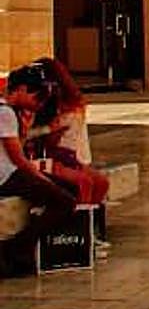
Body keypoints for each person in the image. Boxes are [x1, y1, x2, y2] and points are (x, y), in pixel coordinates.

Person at [0, 63, 77, 277]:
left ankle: (26, 249)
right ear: (22, 89)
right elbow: (18, 159)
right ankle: (16, 248)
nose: (39, 102)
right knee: (65, 201)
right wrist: (44, 180)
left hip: (10, 172)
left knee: (68, 189)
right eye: (37, 96)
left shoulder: (10, 112)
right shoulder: (4, 113)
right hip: (6, 177)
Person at [26, 58, 110, 205]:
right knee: (83, 183)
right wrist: (49, 129)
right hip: (47, 156)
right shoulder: (36, 103)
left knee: (101, 183)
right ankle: (79, 222)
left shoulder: (67, 103)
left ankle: (88, 219)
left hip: (66, 156)